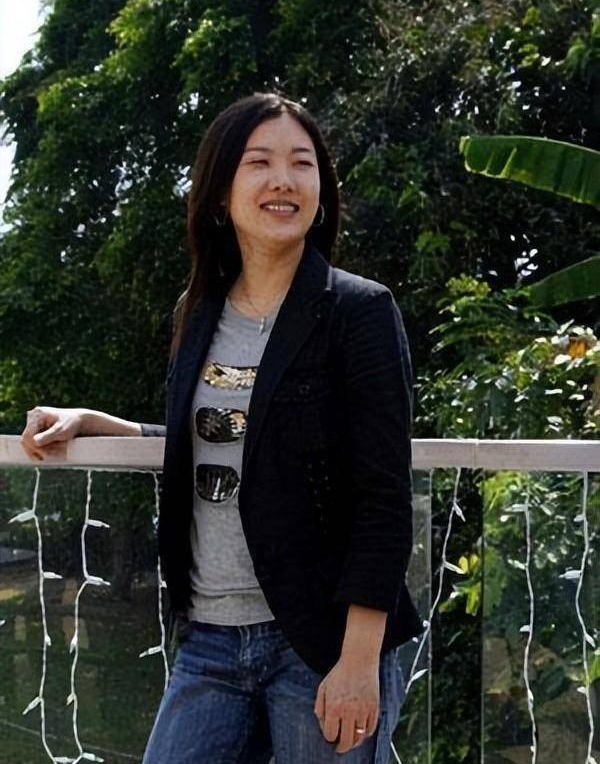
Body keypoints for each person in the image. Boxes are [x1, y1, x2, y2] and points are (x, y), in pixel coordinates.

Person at [21, 92, 424, 763]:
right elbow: (229, 440)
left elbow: (383, 494)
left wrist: (359, 660)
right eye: (258, 162)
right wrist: (93, 422)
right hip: (209, 639)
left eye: (302, 163)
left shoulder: (358, 311)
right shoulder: (200, 310)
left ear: (321, 191)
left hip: (320, 640)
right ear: (218, 193)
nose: (283, 180)